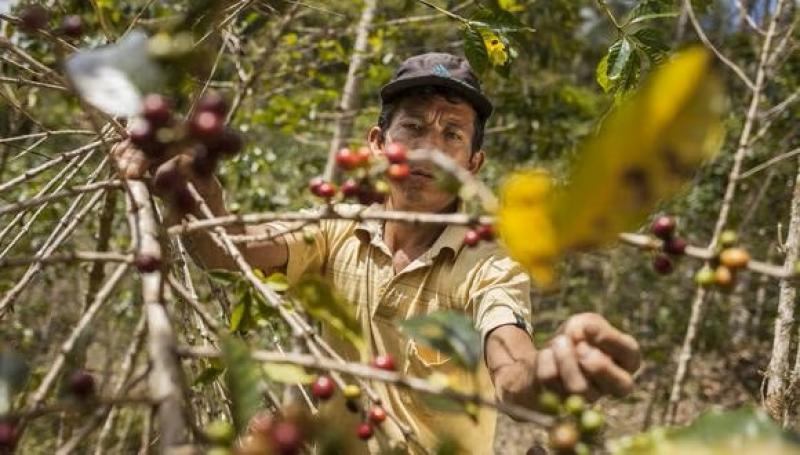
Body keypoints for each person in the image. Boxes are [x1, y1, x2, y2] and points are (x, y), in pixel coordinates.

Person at [113, 52, 640, 453]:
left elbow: (510, 364)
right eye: (412, 126)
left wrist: (544, 375)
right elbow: (233, 252)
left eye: (451, 134)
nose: (427, 148)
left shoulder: (488, 262)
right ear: (376, 142)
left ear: (473, 164)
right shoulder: (336, 226)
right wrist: (200, 191)